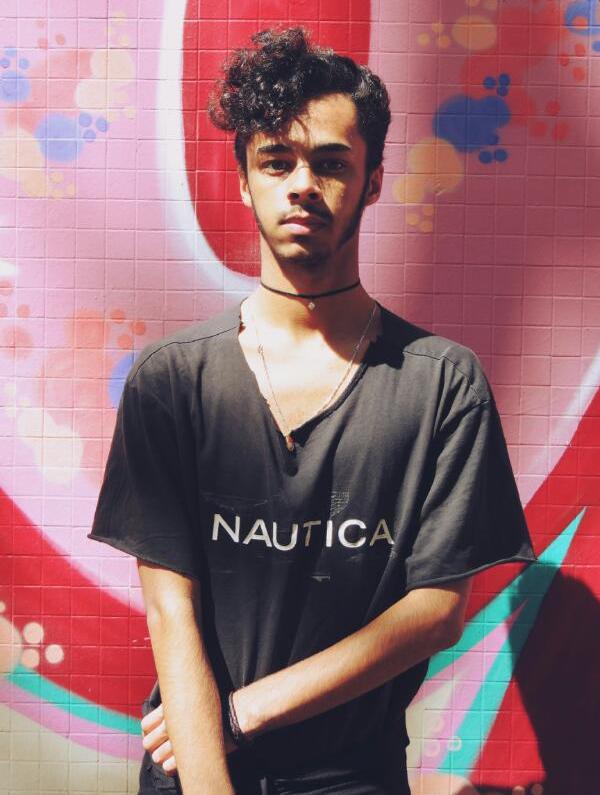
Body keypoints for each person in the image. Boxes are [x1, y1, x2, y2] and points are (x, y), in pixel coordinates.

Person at [88, 27, 537, 795]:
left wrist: (247, 710)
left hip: (350, 775)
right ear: (244, 182)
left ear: (372, 181)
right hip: (196, 768)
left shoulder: (442, 383)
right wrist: (210, 769)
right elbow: (170, 610)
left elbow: (436, 610)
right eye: (277, 161)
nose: (302, 184)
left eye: (330, 163)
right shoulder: (173, 379)